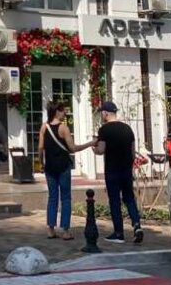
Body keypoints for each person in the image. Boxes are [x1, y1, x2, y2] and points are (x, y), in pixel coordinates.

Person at [37, 102, 93, 239]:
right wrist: (90, 144)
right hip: (63, 167)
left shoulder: (44, 127)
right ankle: (65, 230)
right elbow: (73, 148)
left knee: (52, 197)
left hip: (50, 167)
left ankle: (50, 229)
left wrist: (41, 162)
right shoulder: (63, 128)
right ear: (57, 111)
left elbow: (40, 148)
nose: (65, 113)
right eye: (63, 111)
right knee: (66, 198)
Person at [92, 102, 143, 244]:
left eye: (102, 113)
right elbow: (132, 152)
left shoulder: (104, 130)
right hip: (126, 169)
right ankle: (137, 224)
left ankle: (119, 232)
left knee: (114, 200)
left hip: (112, 169)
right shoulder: (128, 129)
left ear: (105, 113)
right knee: (129, 198)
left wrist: (94, 148)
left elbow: (101, 150)